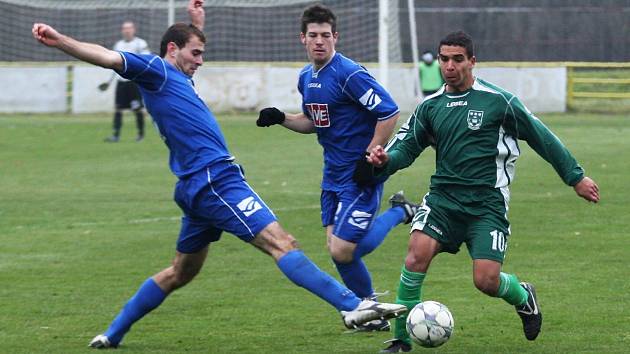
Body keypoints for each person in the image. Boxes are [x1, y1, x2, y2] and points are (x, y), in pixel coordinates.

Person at [32, 0, 407, 349]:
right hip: (216, 179)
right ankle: (351, 305)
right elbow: (107, 56)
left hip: (194, 186)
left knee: (180, 272)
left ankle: (112, 333)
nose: (200, 61)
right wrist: (61, 40)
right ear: (172, 50)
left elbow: (185, 54)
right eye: (195, 54)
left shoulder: (175, 77)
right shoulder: (156, 70)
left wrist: (196, 26)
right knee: (282, 244)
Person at [359, 31, 600, 352]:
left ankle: (523, 295)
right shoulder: (430, 106)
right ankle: (401, 339)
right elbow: (405, 148)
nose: (449, 66)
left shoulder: (499, 102)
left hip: (486, 206)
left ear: (472, 61)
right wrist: (384, 160)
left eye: (457, 59)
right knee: (416, 254)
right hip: (443, 201)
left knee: (485, 280)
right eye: (444, 59)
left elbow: (542, 137)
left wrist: (576, 177)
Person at [256, 4, 419, 332]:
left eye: (326, 36)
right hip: (332, 175)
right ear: (303, 38)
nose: (320, 41)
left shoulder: (350, 74)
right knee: (338, 250)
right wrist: (282, 118)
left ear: (335, 37)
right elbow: (314, 123)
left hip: (360, 173)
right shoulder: (306, 77)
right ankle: (370, 313)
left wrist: (371, 153)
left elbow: (389, 112)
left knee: (344, 249)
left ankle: (400, 212)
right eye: (313, 35)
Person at [101, 21, 150, 142]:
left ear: (134, 30)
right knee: (118, 109)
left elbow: (145, 60)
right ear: (122, 31)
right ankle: (115, 135)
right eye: (124, 29)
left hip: (134, 82)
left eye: (129, 28)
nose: (127, 31)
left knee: (137, 108)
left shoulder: (140, 43)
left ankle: (140, 135)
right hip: (121, 82)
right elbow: (113, 62)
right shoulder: (118, 45)